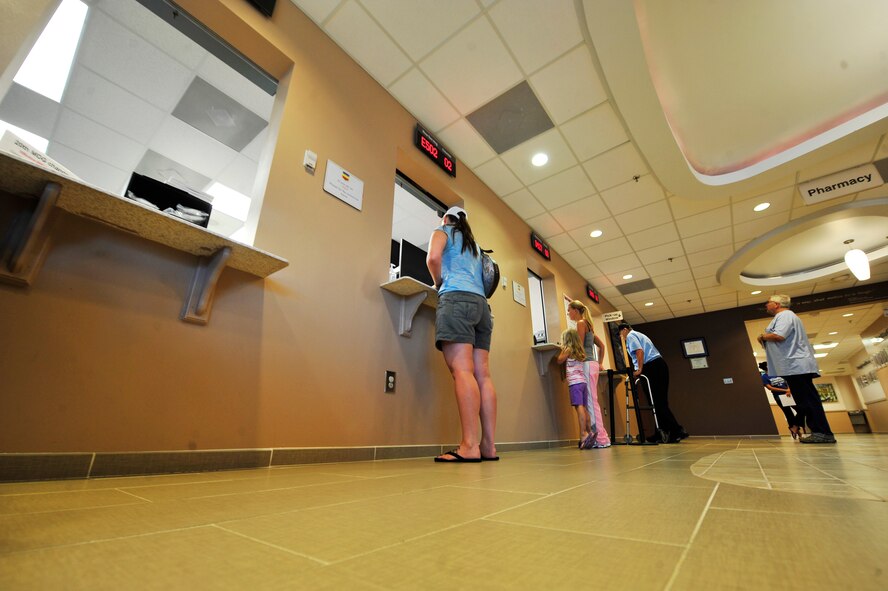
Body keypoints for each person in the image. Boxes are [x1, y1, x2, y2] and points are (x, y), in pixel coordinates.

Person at [426, 206, 498, 462]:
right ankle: (488, 446)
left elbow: (433, 258)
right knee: (483, 375)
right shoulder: (475, 247)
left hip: (456, 300)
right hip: (482, 308)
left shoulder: (443, 230)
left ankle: (469, 446)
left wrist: (438, 283)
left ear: (446, 219)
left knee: (463, 371)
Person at [757, 294, 835, 444]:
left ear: (777, 304)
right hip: (791, 366)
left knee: (807, 400)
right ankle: (820, 432)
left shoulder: (785, 315)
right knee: (805, 400)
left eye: (768, 302)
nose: (766, 305)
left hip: (795, 365)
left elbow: (779, 335)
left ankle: (822, 433)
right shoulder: (784, 316)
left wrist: (762, 336)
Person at [617, 322, 688, 443]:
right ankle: (664, 432)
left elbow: (639, 351)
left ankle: (676, 431)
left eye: (620, 334)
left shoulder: (630, 336)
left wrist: (639, 369)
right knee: (658, 402)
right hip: (658, 365)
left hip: (651, 366)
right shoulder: (639, 334)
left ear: (624, 330)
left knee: (657, 402)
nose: (621, 337)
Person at [567, 300, 610, 448]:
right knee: (591, 401)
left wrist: (565, 350)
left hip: (586, 365)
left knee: (591, 402)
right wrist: (600, 363)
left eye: (569, 310)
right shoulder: (589, 325)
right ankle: (597, 436)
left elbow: (578, 347)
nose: (568, 313)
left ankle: (602, 439)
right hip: (593, 365)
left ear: (575, 310)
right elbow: (602, 346)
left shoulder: (580, 323)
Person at [556, 328, 594, 449]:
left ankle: (583, 434)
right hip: (582, 382)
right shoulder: (579, 351)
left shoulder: (568, 349)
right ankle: (589, 432)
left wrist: (561, 350)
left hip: (575, 383)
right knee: (584, 408)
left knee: (579, 407)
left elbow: (559, 360)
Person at [758, 361, 805, 439]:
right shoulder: (764, 377)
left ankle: (794, 427)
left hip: (789, 394)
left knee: (801, 409)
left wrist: (789, 389)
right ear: (766, 367)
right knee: (788, 413)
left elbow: (788, 382)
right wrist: (785, 391)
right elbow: (770, 388)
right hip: (779, 396)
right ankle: (798, 432)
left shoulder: (779, 373)